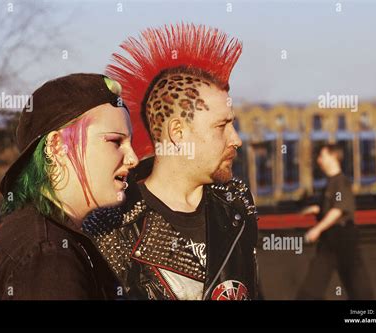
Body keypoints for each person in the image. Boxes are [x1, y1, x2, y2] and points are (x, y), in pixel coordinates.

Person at [83, 23, 259, 300]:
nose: (236, 139)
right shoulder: (114, 228)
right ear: (178, 133)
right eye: (221, 126)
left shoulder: (236, 205)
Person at [0, 74, 139, 300]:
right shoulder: (48, 254)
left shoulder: (39, 235)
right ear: (57, 146)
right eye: (115, 141)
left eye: (130, 143)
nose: (133, 158)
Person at [297, 144, 374, 300]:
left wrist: (317, 229)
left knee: (358, 287)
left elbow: (338, 210)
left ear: (333, 157)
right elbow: (332, 207)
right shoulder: (331, 183)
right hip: (331, 239)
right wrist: (317, 209)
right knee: (314, 286)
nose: (319, 160)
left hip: (343, 238)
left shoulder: (341, 181)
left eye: (322, 156)